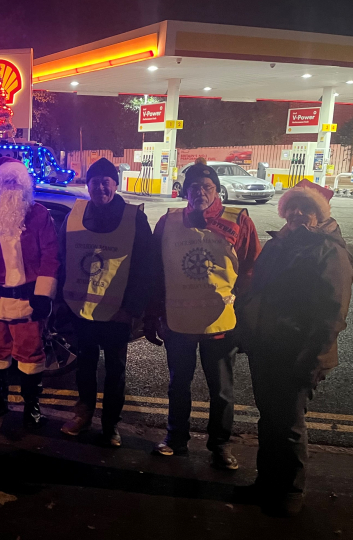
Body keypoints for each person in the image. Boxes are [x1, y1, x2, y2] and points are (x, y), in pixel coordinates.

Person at [236, 180, 353, 516]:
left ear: (320, 214)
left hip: (297, 353)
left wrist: (315, 358)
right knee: (269, 420)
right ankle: (266, 483)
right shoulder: (280, 243)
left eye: (307, 209)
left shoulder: (330, 251)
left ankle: (289, 493)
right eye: (293, 208)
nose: (299, 214)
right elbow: (258, 290)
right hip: (267, 347)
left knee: (288, 425)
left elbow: (333, 313)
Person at [145, 163, 260, 469]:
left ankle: (220, 445)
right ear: (185, 191)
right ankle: (175, 438)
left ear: (217, 189)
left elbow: (252, 271)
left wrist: (245, 315)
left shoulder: (239, 222)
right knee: (178, 384)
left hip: (221, 324)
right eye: (194, 187)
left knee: (221, 390)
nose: (200, 192)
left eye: (207, 187)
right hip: (178, 322)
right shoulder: (168, 222)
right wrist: (153, 315)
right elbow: (155, 272)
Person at [57, 158, 154, 446]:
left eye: (106, 181)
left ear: (115, 184)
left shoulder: (134, 217)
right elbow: (63, 257)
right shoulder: (75, 215)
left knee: (115, 371)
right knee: (85, 367)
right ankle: (83, 415)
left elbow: (146, 266)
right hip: (82, 308)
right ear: (87, 185)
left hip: (118, 312)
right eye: (94, 181)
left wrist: (133, 308)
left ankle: (111, 425)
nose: (100, 187)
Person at [0, 158, 60, 428]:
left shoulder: (39, 215)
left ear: (25, 186)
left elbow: (50, 257)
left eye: (16, 182)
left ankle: (32, 405)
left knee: (30, 353)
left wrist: (43, 294)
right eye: (6, 181)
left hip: (27, 300)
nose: (11, 186)